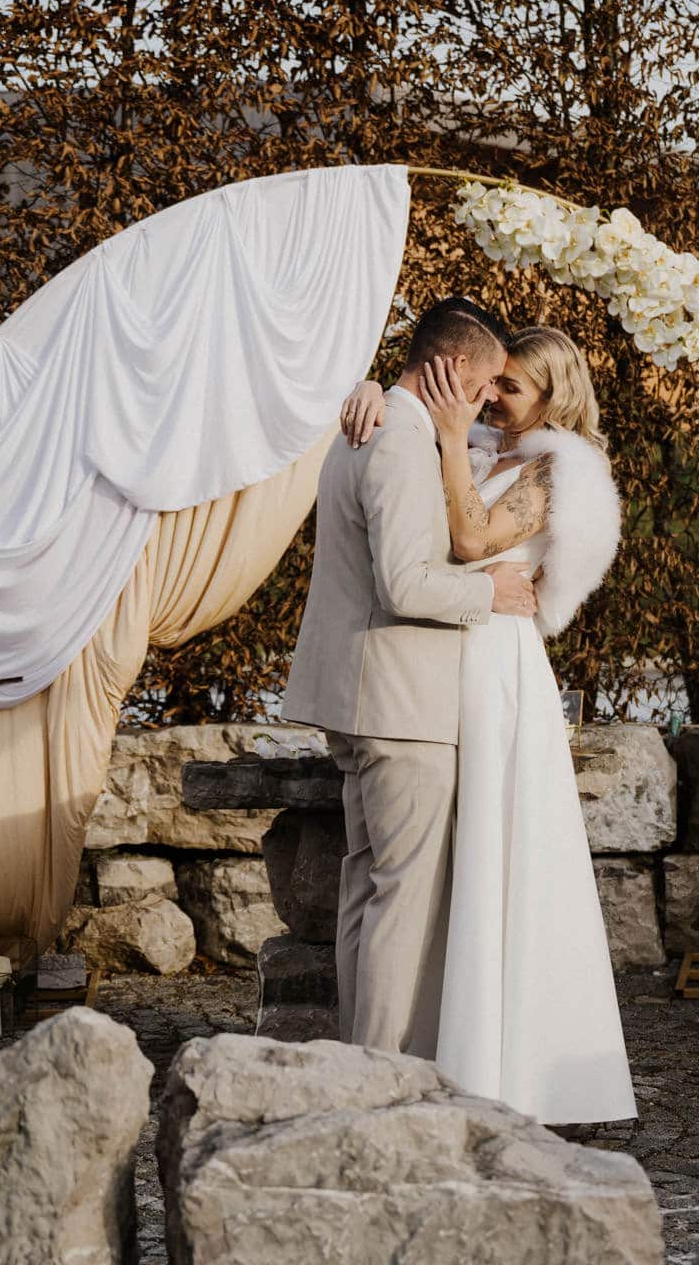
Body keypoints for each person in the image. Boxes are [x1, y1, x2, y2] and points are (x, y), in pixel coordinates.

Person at [336, 324, 635, 1125]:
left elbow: (468, 538)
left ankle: (510, 1068)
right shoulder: (472, 449)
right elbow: (402, 509)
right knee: (425, 876)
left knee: (495, 855)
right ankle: (429, 1054)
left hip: (498, 665)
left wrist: (439, 432)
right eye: (493, 381)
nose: (491, 396)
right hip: (440, 659)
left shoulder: (558, 469)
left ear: (554, 396)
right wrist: (372, 392)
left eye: (512, 387)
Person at [282, 298, 540, 1060]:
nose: (494, 396)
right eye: (490, 380)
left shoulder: (378, 425)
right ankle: (384, 1076)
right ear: (455, 369)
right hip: (400, 704)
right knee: (402, 900)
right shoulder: (396, 439)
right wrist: (488, 594)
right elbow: (406, 583)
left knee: (367, 891)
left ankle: (359, 1064)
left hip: (366, 697)